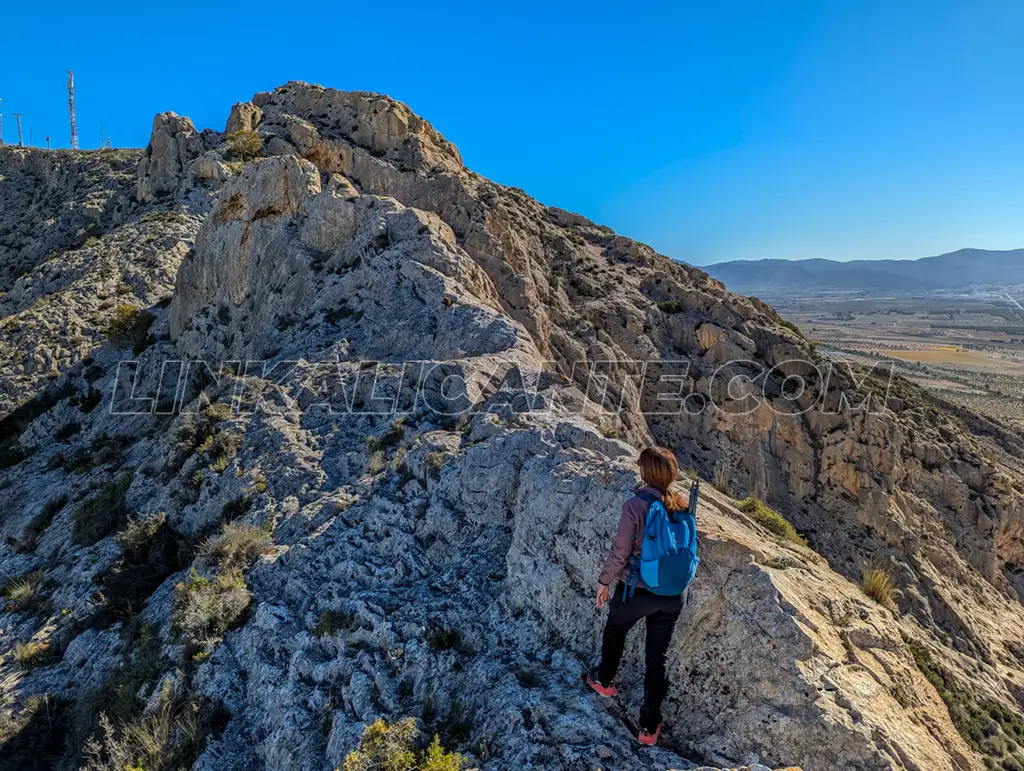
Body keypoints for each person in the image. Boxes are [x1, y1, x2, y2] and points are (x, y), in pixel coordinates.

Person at [587, 445, 689, 746]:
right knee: (657, 659)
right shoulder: (681, 505)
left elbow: (620, 551)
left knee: (615, 630)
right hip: (673, 594)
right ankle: (648, 728)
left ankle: (604, 682)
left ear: (645, 473)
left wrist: (604, 581)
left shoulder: (635, 505)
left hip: (637, 589)